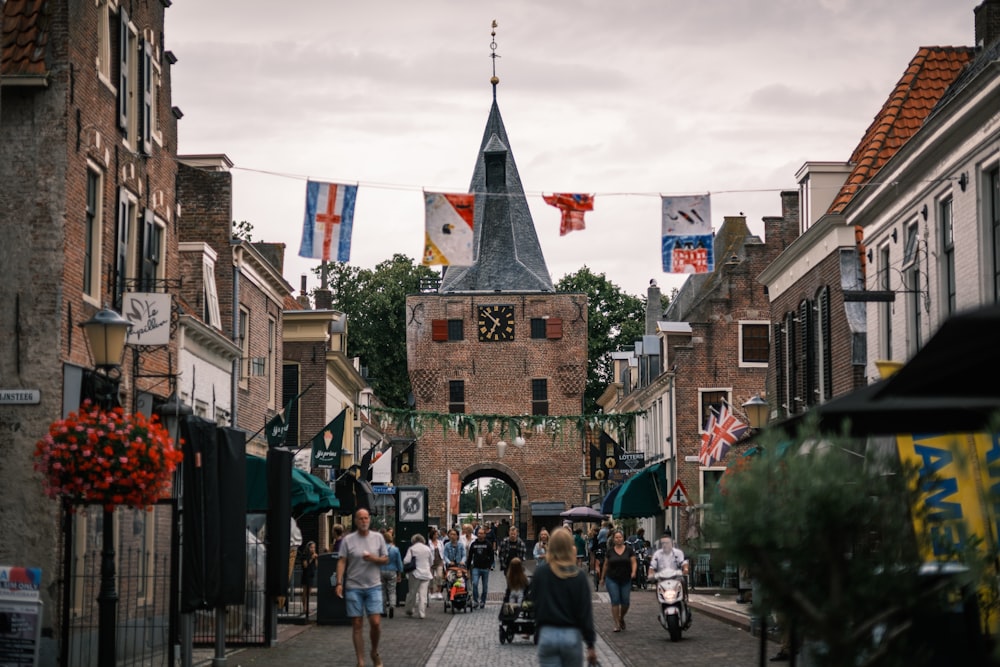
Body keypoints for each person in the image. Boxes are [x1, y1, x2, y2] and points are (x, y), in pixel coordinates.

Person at [532, 527, 597, 666]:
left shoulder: (541, 573)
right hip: (571, 635)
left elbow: (535, 604)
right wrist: (590, 644)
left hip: (547, 634)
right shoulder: (578, 576)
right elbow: (585, 612)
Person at [335, 509, 389, 667]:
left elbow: (385, 560)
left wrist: (373, 558)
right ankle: (361, 661)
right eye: (361, 518)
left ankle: (374, 651)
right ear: (356, 521)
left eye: (366, 518)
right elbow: (342, 561)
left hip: (373, 586)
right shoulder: (348, 540)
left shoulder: (378, 538)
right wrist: (339, 582)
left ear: (369, 520)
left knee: (376, 622)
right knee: (357, 624)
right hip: (353, 586)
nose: (364, 521)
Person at [600, 529, 636, 632]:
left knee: (625, 602)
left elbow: (633, 562)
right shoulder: (610, 551)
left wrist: (633, 572)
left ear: (623, 538)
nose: (619, 539)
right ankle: (616, 624)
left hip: (625, 578)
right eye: (616, 537)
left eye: (620, 537)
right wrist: (602, 578)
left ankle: (621, 618)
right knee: (615, 600)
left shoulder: (629, 550)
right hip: (612, 578)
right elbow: (606, 565)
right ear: (613, 539)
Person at [647, 535, 688, 601]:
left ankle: (683, 599)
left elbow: (684, 563)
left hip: (676, 577)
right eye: (663, 543)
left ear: (671, 543)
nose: (665, 545)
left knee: (682, 581)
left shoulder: (678, 553)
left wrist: (685, 569)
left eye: (667, 543)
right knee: (658, 585)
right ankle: (661, 602)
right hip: (662, 578)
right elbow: (652, 566)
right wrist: (650, 574)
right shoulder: (657, 554)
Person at [402, 533, 433, 619]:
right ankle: (421, 613)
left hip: (415, 574)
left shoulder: (411, 549)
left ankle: (410, 609)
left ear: (413, 541)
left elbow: (406, 561)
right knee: (423, 594)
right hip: (426, 574)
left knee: (412, 592)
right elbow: (431, 562)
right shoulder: (427, 549)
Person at [465, 526, 495, 609]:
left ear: (485, 535)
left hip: (485, 568)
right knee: (474, 584)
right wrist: (467, 568)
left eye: (482, 533)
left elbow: (492, 556)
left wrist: (489, 565)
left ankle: (483, 601)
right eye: (478, 533)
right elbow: (470, 556)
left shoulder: (488, 544)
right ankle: (475, 601)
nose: (480, 535)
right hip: (476, 568)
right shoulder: (474, 544)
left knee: (485, 587)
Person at [379, 532, 403, 618]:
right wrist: (399, 574)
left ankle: (383, 610)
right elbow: (399, 563)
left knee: (382, 591)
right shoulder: (395, 549)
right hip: (392, 571)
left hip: (381, 571)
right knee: (392, 590)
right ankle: (392, 606)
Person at [299, 541, 319, 617]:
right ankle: (304, 608)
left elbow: (316, 566)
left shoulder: (313, 555)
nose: (313, 549)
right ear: (308, 548)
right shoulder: (305, 555)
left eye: (314, 547)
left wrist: (316, 558)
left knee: (309, 592)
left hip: (311, 575)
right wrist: (311, 558)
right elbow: (305, 565)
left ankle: (307, 607)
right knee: (305, 592)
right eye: (311, 547)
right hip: (306, 575)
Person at [427, 527, 446, 600]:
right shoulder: (429, 543)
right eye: (435, 534)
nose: (437, 536)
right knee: (431, 578)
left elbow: (442, 551)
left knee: (439, 576)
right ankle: (431, 592)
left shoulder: (440, 542)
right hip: (431, 562)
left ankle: (439, 592)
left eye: (437, 534)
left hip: (439, 561)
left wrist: (443, 561)